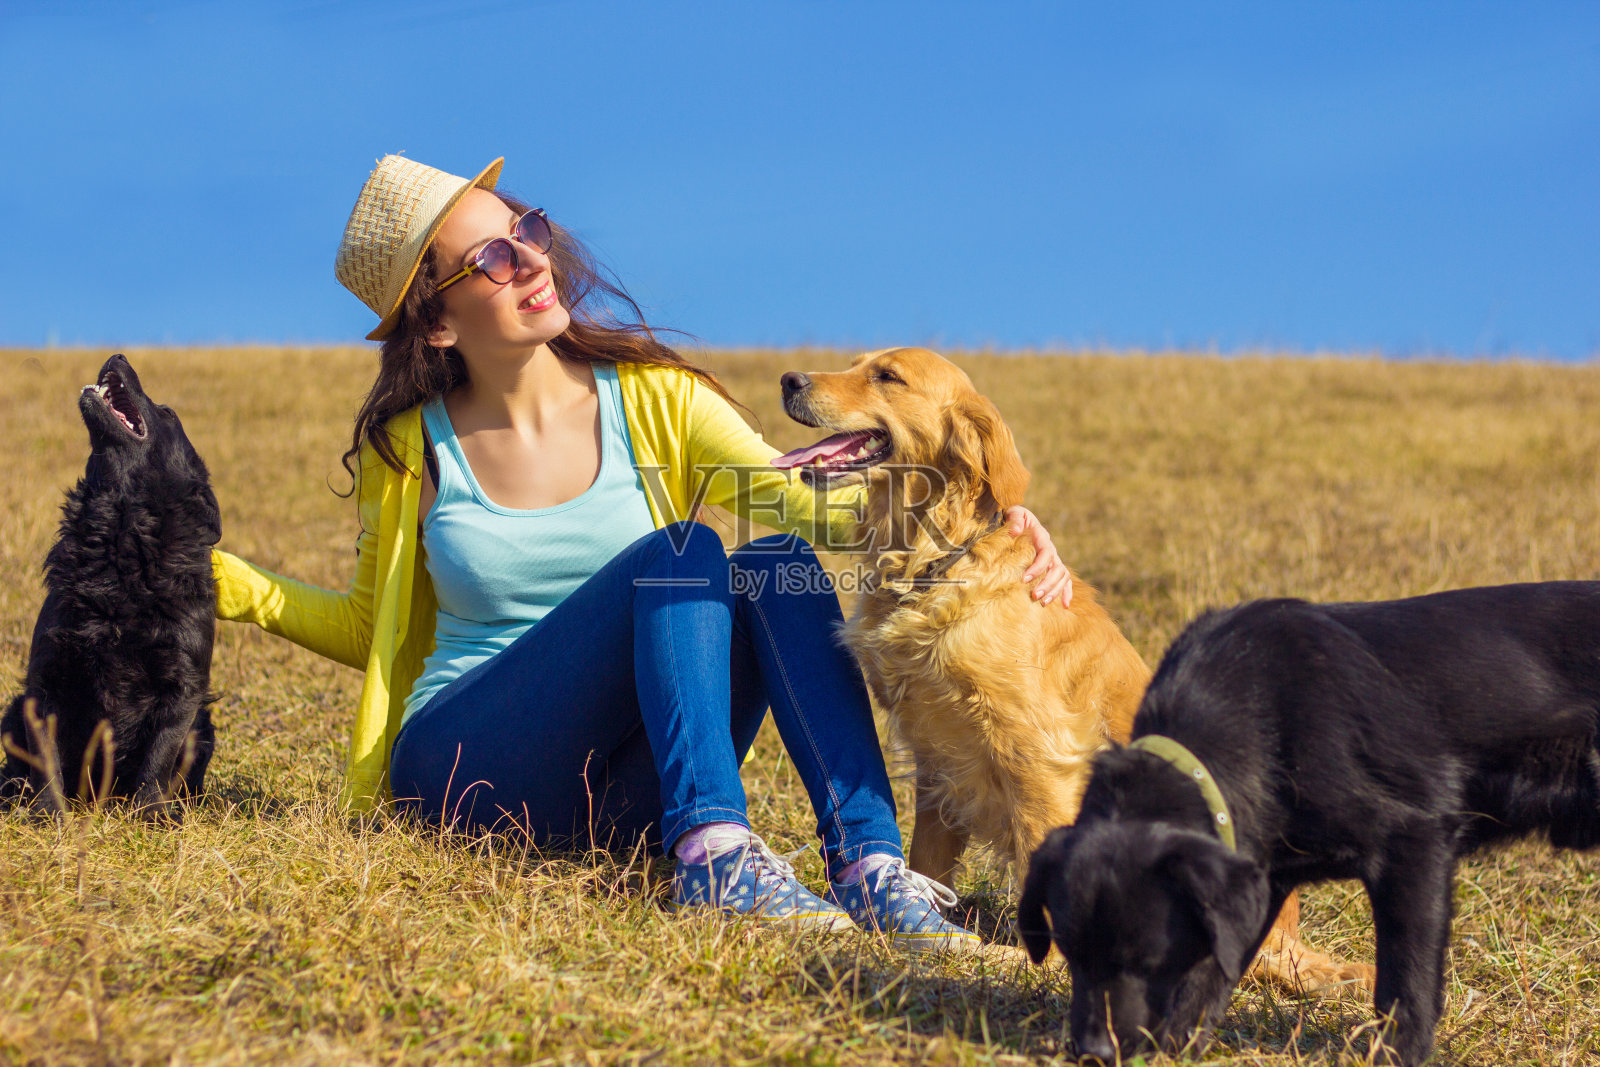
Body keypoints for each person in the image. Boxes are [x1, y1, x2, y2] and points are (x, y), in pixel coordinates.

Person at [211, 155, 1073, 952]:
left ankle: (872, 869)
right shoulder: (412, 449)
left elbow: (827, 514)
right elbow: (373, 627)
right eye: (493, 260)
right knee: (687, 548)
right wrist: (230, 585)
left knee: (774, 561)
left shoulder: (660, 400)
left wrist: (993, 522)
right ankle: (716, 853)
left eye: (529, 231)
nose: (534, 261)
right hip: (470, 766)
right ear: (436, 320)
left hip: (625, 793)